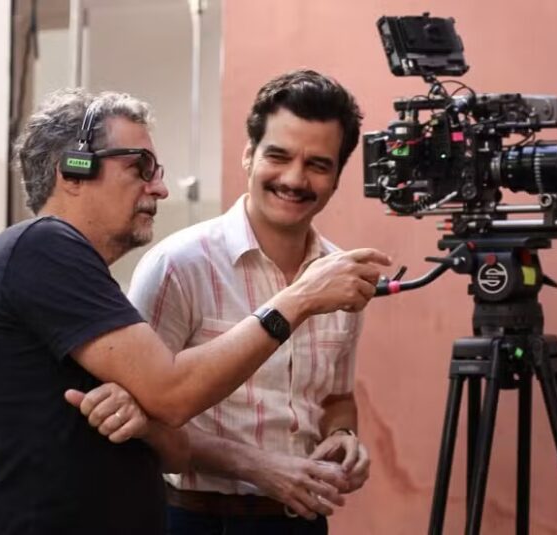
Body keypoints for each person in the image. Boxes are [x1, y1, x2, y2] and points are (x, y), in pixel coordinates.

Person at [0, 88, 389, 535]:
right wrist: (297, 300)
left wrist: (144, 422)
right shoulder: (43, 246)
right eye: (140, 167)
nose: (160, 188)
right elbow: (173, 393)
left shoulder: (72, 270)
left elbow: (175, 448)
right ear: (74, 169)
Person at [111, 69, 371, 535]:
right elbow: (141, 414)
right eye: (278, 156)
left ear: (336, 178)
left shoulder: (340, 276)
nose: (294, 178)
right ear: (249, 155)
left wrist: (342, 435)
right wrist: (256, 466)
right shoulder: (178, 265)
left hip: (302, 520)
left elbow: (337, 397)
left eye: (318, 164)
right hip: (194, 519)